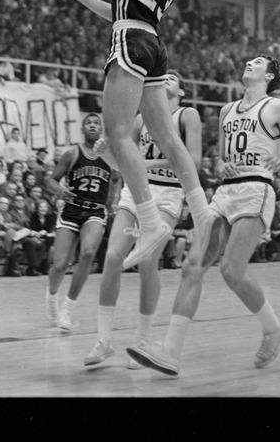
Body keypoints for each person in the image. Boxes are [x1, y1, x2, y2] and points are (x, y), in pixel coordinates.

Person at [49, 0, 216, 270]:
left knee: (117, 136)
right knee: (167, 137)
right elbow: (119, 11)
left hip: (131, 43)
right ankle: (201, 211)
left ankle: (150, 221)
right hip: (153, 45)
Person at [128, 54, 280, 376]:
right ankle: (170, 352)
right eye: (249, 60)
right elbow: (221, 159)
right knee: (192, 266)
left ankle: (273, 326)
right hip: (225, 192)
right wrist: (221, 165)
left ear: (270, 75)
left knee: (231, 271)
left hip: (256, 188)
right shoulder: (226, 111)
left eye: (258, 62)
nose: (250, 63)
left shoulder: (277, 107)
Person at [84, 70, 202, 368]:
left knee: (148, 261)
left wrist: (145, 163)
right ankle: (103, 340)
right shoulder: (139, 118)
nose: (167, 78)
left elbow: (194, 162)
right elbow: (124, 164)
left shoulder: (187, 115)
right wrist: (105, 154)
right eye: (165, 76)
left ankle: (143, 340)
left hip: (168, 193)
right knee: (112, 258)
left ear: (182, 92)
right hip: (137, 190)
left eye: (174, 78)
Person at [44, 114, 121, 332]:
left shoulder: (110, 157)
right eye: (89, 123)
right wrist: (60, 190)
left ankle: (68, 307)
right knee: (59, 265)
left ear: (101, 129)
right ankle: (51, 297)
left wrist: (114, 199)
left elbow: (117, 179)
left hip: (95, 211)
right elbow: (50, 180)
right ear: (83, 129)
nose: (93, 125)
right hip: (71, 210)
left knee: (88, 253)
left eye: (96, 123)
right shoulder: (72, 154)